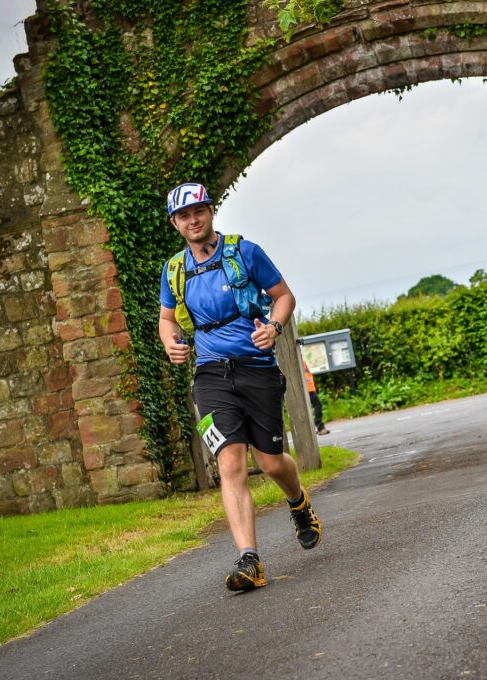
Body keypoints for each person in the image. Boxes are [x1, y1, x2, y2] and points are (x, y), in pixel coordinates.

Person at [158, 182, 322, 592]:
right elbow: (167, 319)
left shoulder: (245, 252)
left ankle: (299, 503)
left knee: (270, 462)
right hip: (210, 374)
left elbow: (283, 296)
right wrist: (170, 344)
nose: (193, 220)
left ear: (211, 212)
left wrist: (274, 327)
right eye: (184, 216)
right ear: (175, 223)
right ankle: (250, 560)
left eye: (199, 211)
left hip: (257, 368)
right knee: (230, 461)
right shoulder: (174, 269)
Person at [302, 359, 330, 435]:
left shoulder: (303, 362)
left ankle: (318, 428)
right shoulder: (299, 361)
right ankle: (318, 428)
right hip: (306, 391)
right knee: (309, 409)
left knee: (316, 406)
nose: (305, 365)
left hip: (311, 390)